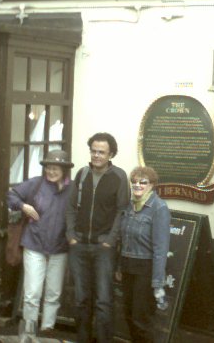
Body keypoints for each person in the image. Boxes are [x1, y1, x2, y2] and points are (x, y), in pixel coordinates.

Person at [65, 132, 129, 343]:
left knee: (103, 300)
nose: (96, 155)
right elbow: (71, 207)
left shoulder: (119, 177)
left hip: (103, 247)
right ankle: (83, 339)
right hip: (80, 245)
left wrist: (110, 240)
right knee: (81, 298)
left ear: (111, 154)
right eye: (93, 151)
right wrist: (71, 235)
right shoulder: (82, 174)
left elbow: (122, 211)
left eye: (101, 152)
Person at [7, 149, 74, 340]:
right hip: (34, 246)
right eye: (49, 168)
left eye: (56, 168)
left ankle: (47, 330)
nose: (51, 172)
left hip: (60, 248)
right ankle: (28, 331)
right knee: (32, 293)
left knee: (53, 293)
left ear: (64, 170)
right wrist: (23, 206)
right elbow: (11, 195)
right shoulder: (36, 184)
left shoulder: (73, 189)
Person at [119, 166, 171, 343]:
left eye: (143, 182)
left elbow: (160, 249)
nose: (137, 185)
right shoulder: (130, 205)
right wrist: (119, 266)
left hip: (145, 270)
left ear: (152, 185)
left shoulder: (159, 208)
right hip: (127, 266)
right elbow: (123, 238)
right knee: (128, 315)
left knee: (141, 319)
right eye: (134, 182)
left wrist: (157, 283)